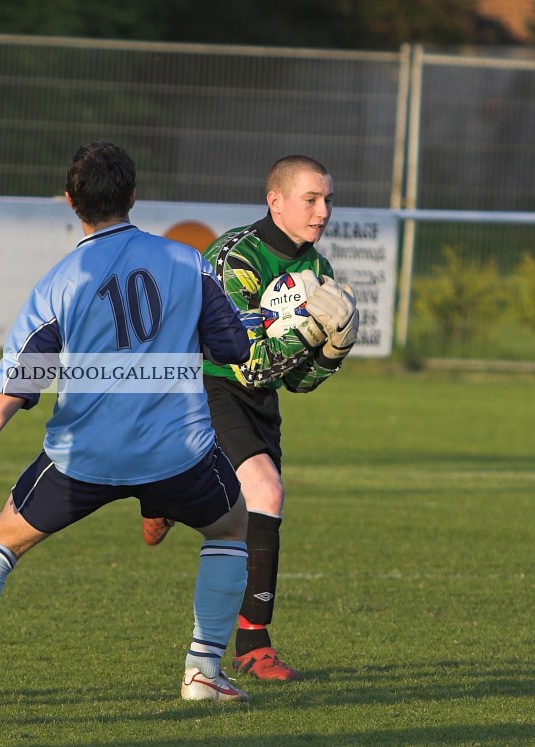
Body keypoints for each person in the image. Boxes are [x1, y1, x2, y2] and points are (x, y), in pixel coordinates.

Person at [0, 140, 253, 702]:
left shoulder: (61, 279)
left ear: (71, 202)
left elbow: (20, 378)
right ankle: (202, 673)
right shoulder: (185, 261)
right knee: (229, 530)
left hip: (84, 459)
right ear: (133, 195)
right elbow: (232, 346)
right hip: (178, 454)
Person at [142, 155, 359, 682]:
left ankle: (168, 491)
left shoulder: (317, 270)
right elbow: (250, 364)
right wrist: (311, 332)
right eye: (311, 199)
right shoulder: (234, 259)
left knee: (242, 507)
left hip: (257, 401)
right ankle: (253, 646)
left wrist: (334, 351)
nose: (323, 211)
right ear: (275, 201)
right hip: (204, 384)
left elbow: (295, 382)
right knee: (265, 492)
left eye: (328, 199)